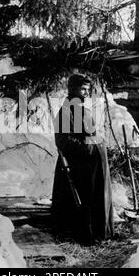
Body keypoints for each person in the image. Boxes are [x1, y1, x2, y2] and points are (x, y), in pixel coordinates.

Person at [51, 74, 114, 245]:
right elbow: (63, 140)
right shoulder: (66, 111)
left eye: (87, 89)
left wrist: (97, 142)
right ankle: (85, 234)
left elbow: (90, 134)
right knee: (81, 202)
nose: (86, 93)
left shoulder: (83, 110)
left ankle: (100, 231)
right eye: (82, 89)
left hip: (90, 163)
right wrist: (90, 147)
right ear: (73, 89)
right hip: (77, 165)